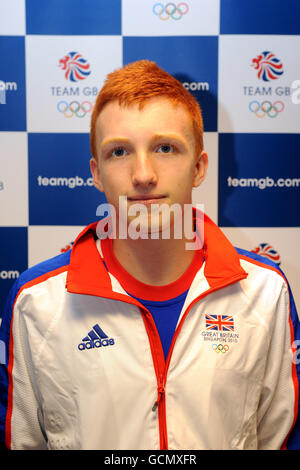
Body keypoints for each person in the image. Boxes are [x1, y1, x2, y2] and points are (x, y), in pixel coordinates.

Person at [0, 60, 299, 450]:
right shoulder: (37, 302)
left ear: (199, 167)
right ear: (96, 173)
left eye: (165, 148)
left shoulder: (264, 292)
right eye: (120, 151)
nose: (143, 174)